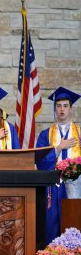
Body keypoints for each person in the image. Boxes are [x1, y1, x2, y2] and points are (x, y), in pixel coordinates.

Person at [36, 86, 81, 244]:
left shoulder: (80, 134)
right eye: (58, 105)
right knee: (52, 223)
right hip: (53, 187)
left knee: (75, 220)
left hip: (76, 186)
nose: (62, 110)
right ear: (55, 108)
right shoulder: (45, 135)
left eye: (65, 106)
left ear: (71, 108)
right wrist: (58, 148)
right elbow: (39, 162)